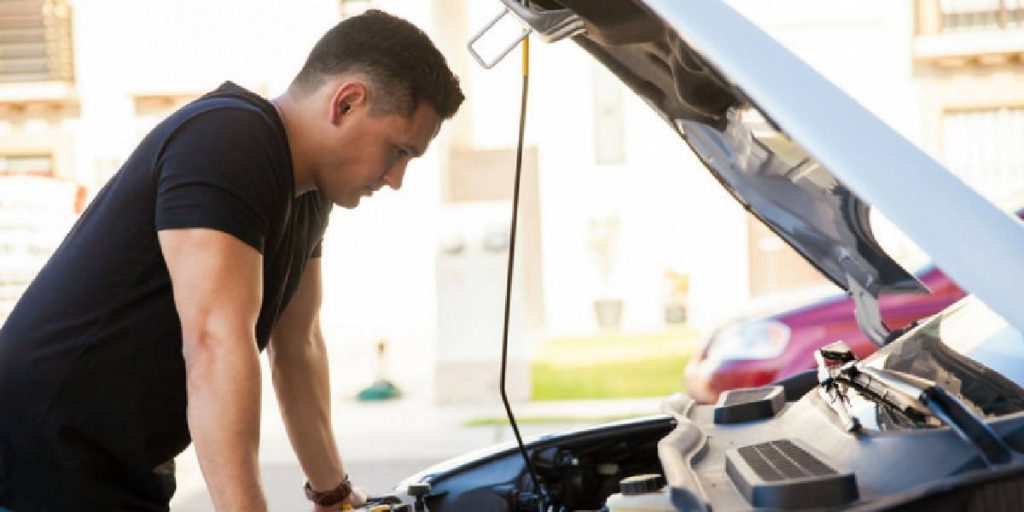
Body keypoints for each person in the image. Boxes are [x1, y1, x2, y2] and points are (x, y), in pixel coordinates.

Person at [0, 9, 463, 511]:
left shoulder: (308, 194)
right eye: (398, 151)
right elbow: (215, 342)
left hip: (112, 467)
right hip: (36, 462)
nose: (396, 178)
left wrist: (333, 493)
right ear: (347, 103)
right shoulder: (231, 138)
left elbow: (298, 345)